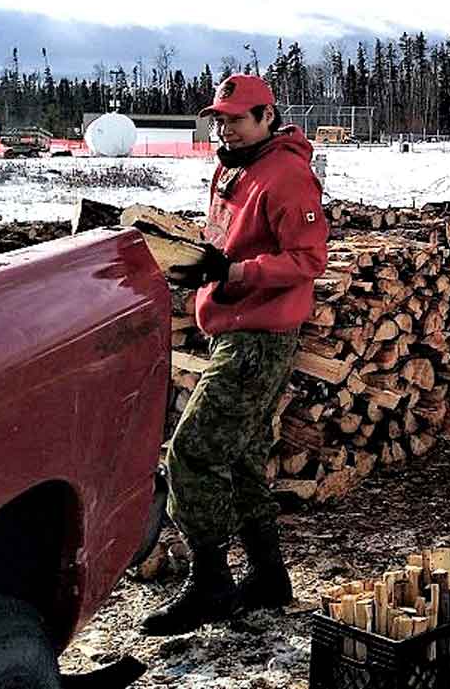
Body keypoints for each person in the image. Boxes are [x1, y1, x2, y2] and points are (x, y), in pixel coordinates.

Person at [142, 75, 329, 636]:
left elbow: (308, 260)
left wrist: (235, 273)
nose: (224, 127)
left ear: (267, 117)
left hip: (259, 338)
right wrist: (197, 266)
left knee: (193, 452)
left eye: (236, 118)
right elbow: (227, 240)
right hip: (232, 326)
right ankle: (270, 578)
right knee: (243, 454)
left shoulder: (289, 175)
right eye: (219, 118)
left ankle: (210, 583)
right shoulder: (232, 165)